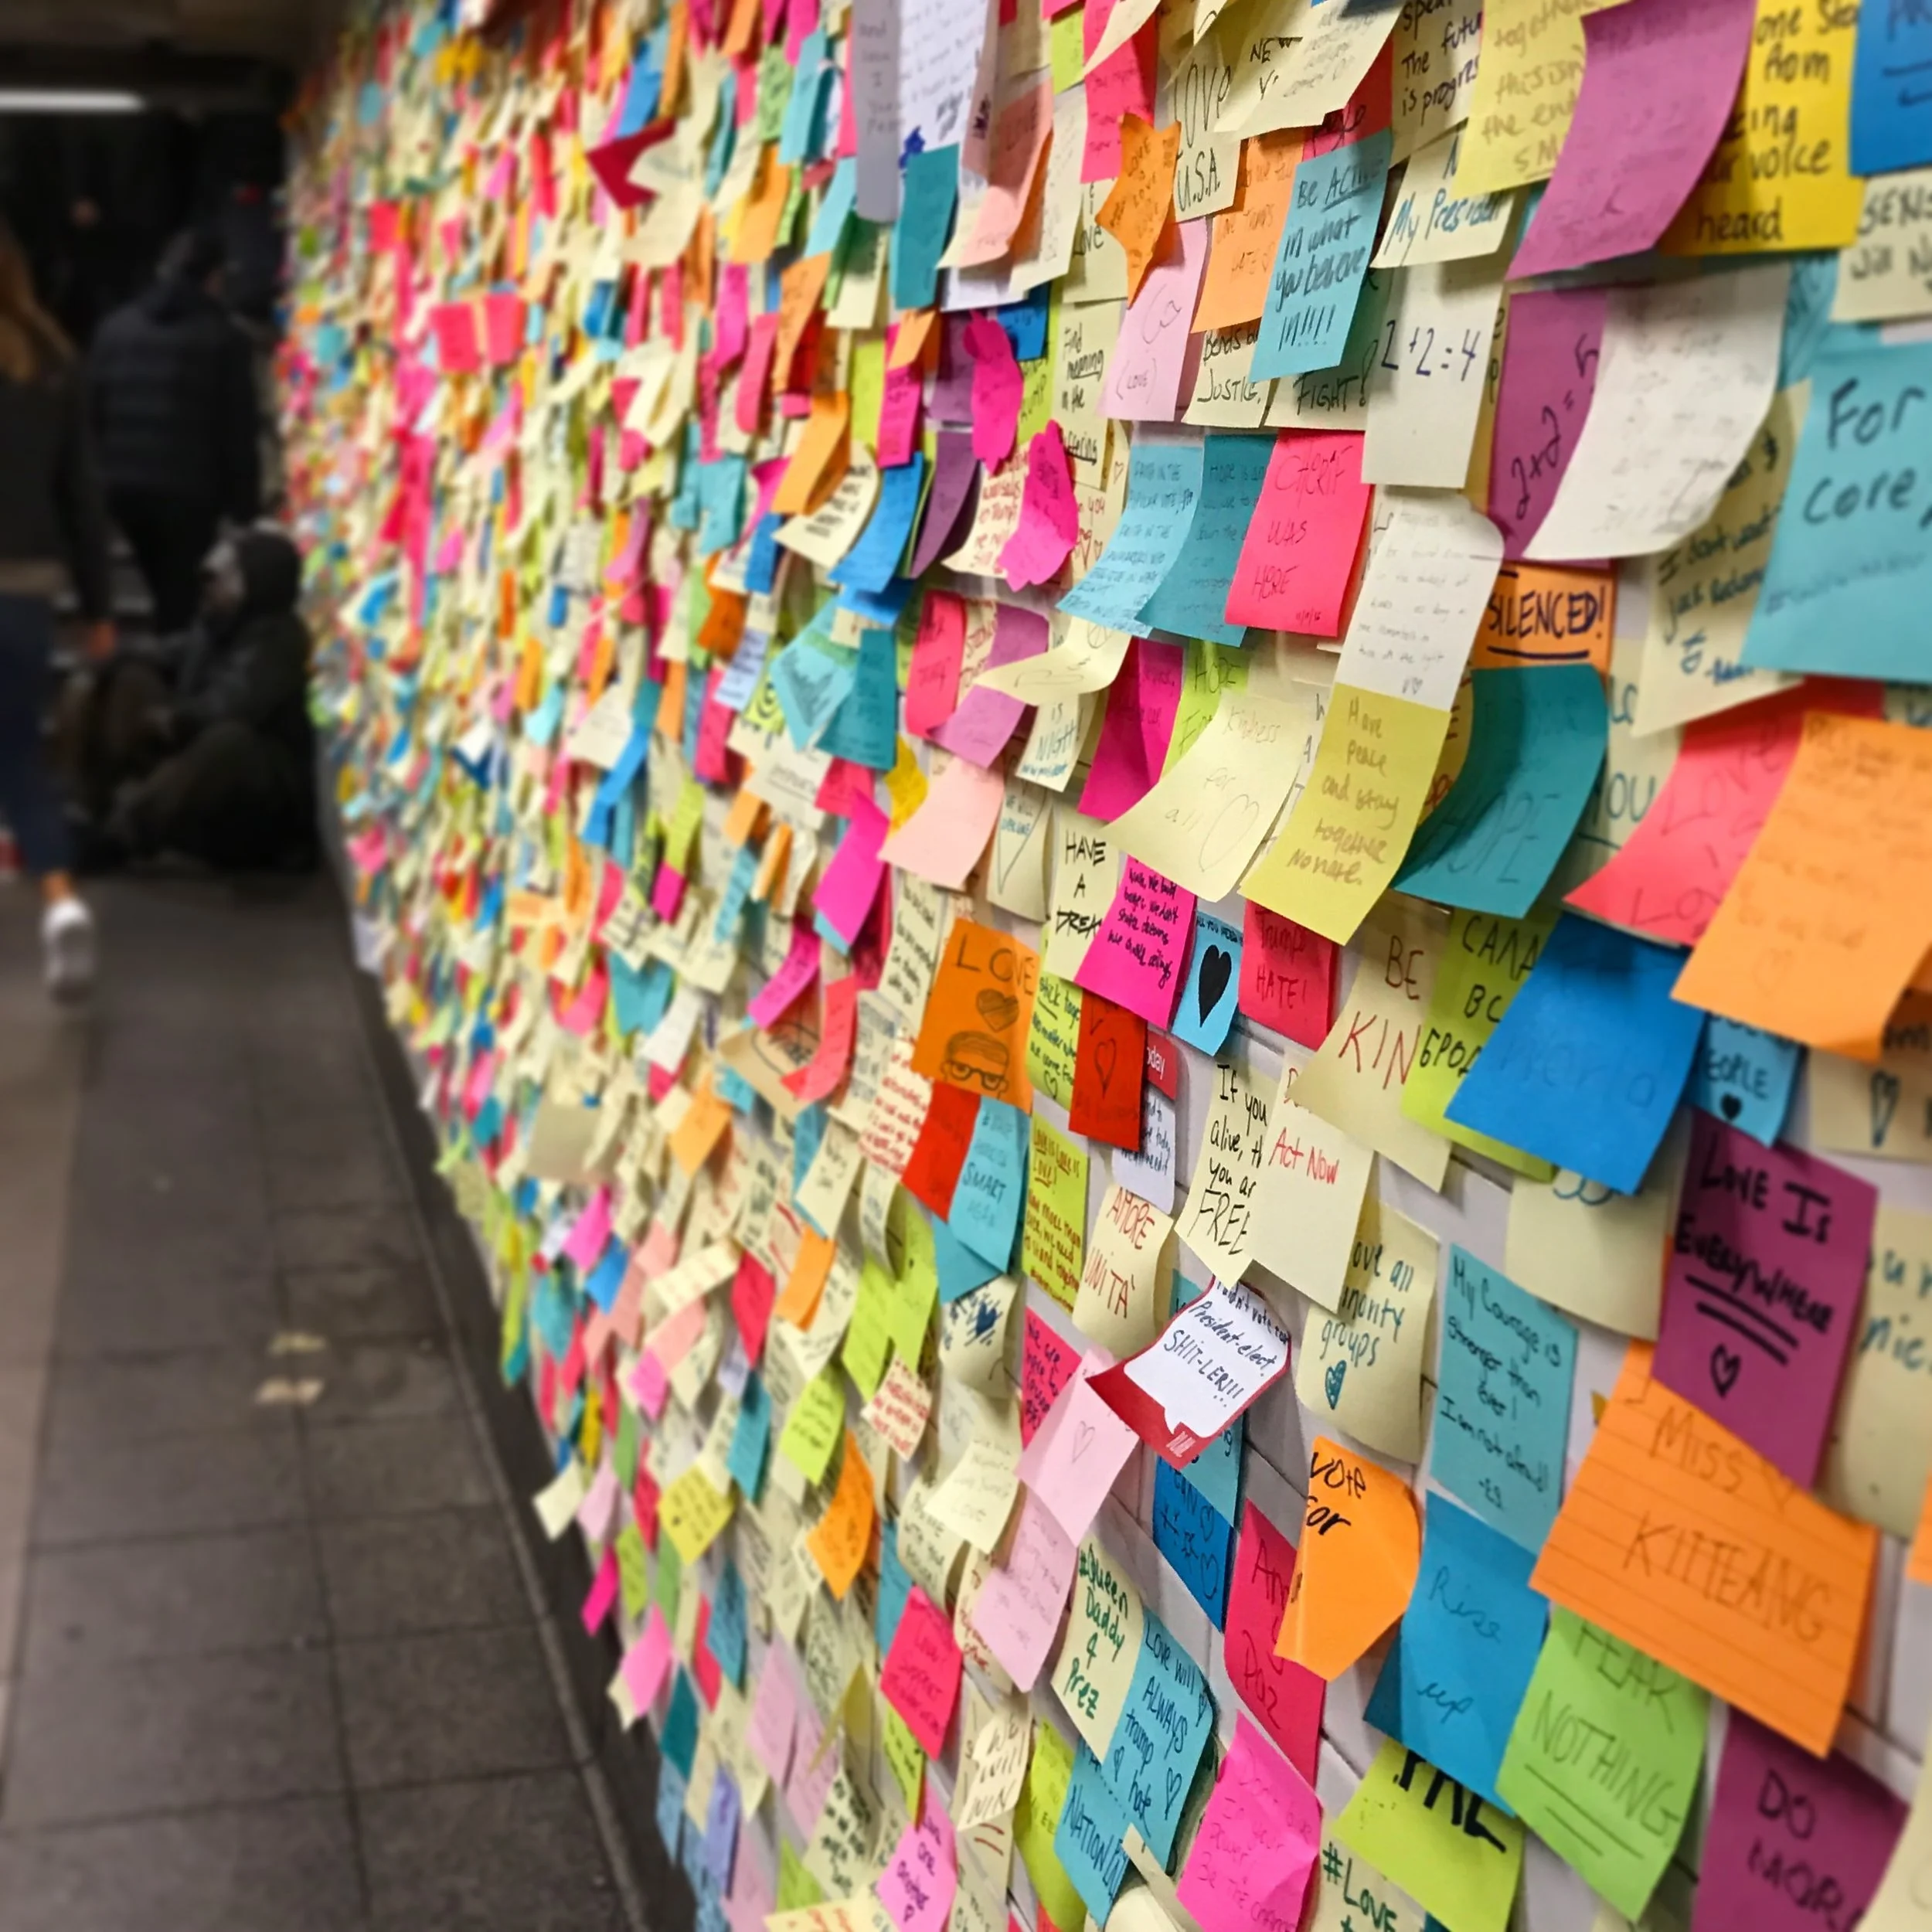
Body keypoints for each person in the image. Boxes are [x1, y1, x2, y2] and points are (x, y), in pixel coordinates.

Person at [69, 525, 315, 872]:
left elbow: (234, 701)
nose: (211, 587)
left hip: (260, 807)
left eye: (224, 579)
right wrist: (114, 657)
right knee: (132, 678)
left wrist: (175, 719)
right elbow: (170, 650)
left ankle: (121, 836)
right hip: (201, 773)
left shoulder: (280, 640)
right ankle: (95, 809)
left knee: (230, 741)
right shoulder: (216, 624)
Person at [0, 221, 108, 999]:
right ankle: (62, 902)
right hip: (28, 588)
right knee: (20, 757)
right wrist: (98, 603)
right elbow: (82, 497)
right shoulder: (53, 365)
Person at [89, 229, 260, 633]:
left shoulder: (115, 329)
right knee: (181, 595)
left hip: (124, 488)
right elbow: (238, 429)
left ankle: (154, 668)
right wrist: (245, 511)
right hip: (191, 492)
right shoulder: (224, 338)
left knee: (159, 585)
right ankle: (173, 676)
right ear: (214, 278)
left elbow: (92, 413)